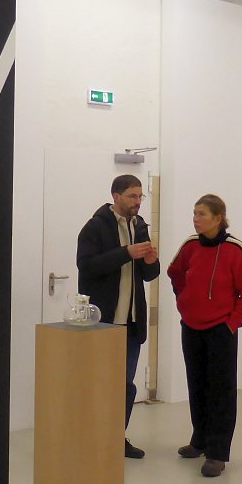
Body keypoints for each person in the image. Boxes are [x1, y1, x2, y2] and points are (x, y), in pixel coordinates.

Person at [167, 194, 242, 477]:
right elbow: (174, 272)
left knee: (221, 391)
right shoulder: (190, 245)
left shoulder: (236, 250)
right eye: (194, 213)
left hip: (221, 330)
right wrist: (183, 300)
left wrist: (231, 324)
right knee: (197, 385)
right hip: (191, 326)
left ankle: (217, 453)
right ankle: (199, 440)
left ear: (218, 218)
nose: (195, 219)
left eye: (202, 214)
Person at [77, 175, 160, 458]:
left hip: (131, 324)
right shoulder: (95, 227)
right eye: (132, 196)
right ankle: (90, 439)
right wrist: (126, 253)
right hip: (102, 323)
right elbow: (87, 267)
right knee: (98, 383)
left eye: (140, 196)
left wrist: (151, 262)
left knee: (125, 386)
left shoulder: (141, 226)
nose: (137, 202)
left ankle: (115, 439)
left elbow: (148, 275)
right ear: (116, 196)